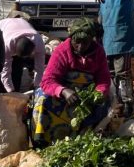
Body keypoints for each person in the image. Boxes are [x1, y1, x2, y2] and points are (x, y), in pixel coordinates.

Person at [31, 18, 110, 147]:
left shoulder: (98, 52)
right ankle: (43, 142)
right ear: (71, 38)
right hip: (64, 96)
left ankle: (85, 141)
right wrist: (63, 91)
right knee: (43, 99)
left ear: (91, 40)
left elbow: (104, 79)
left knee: (103, 105)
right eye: (77, 42)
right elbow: (48, 80)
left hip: (86, 96)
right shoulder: (62, 51)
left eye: (85, 43)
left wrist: (99, 92)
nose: (80, 47)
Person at [97, 0, 134, 117]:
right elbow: (102, 12)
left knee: (123, 72)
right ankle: (117, 102)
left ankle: (128, 103)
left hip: (122, 34)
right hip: (108, 36)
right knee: (110, 72)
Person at [0, 16, 45, 93]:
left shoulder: (38, 42)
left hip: (20, 26)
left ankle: (16, 89)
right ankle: (2, 90)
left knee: (17, 67)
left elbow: (40, 66)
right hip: (1, 28)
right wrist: (10, 90)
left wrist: (36, 84)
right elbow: (5, 70)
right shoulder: (6, 45)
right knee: (0, 68)